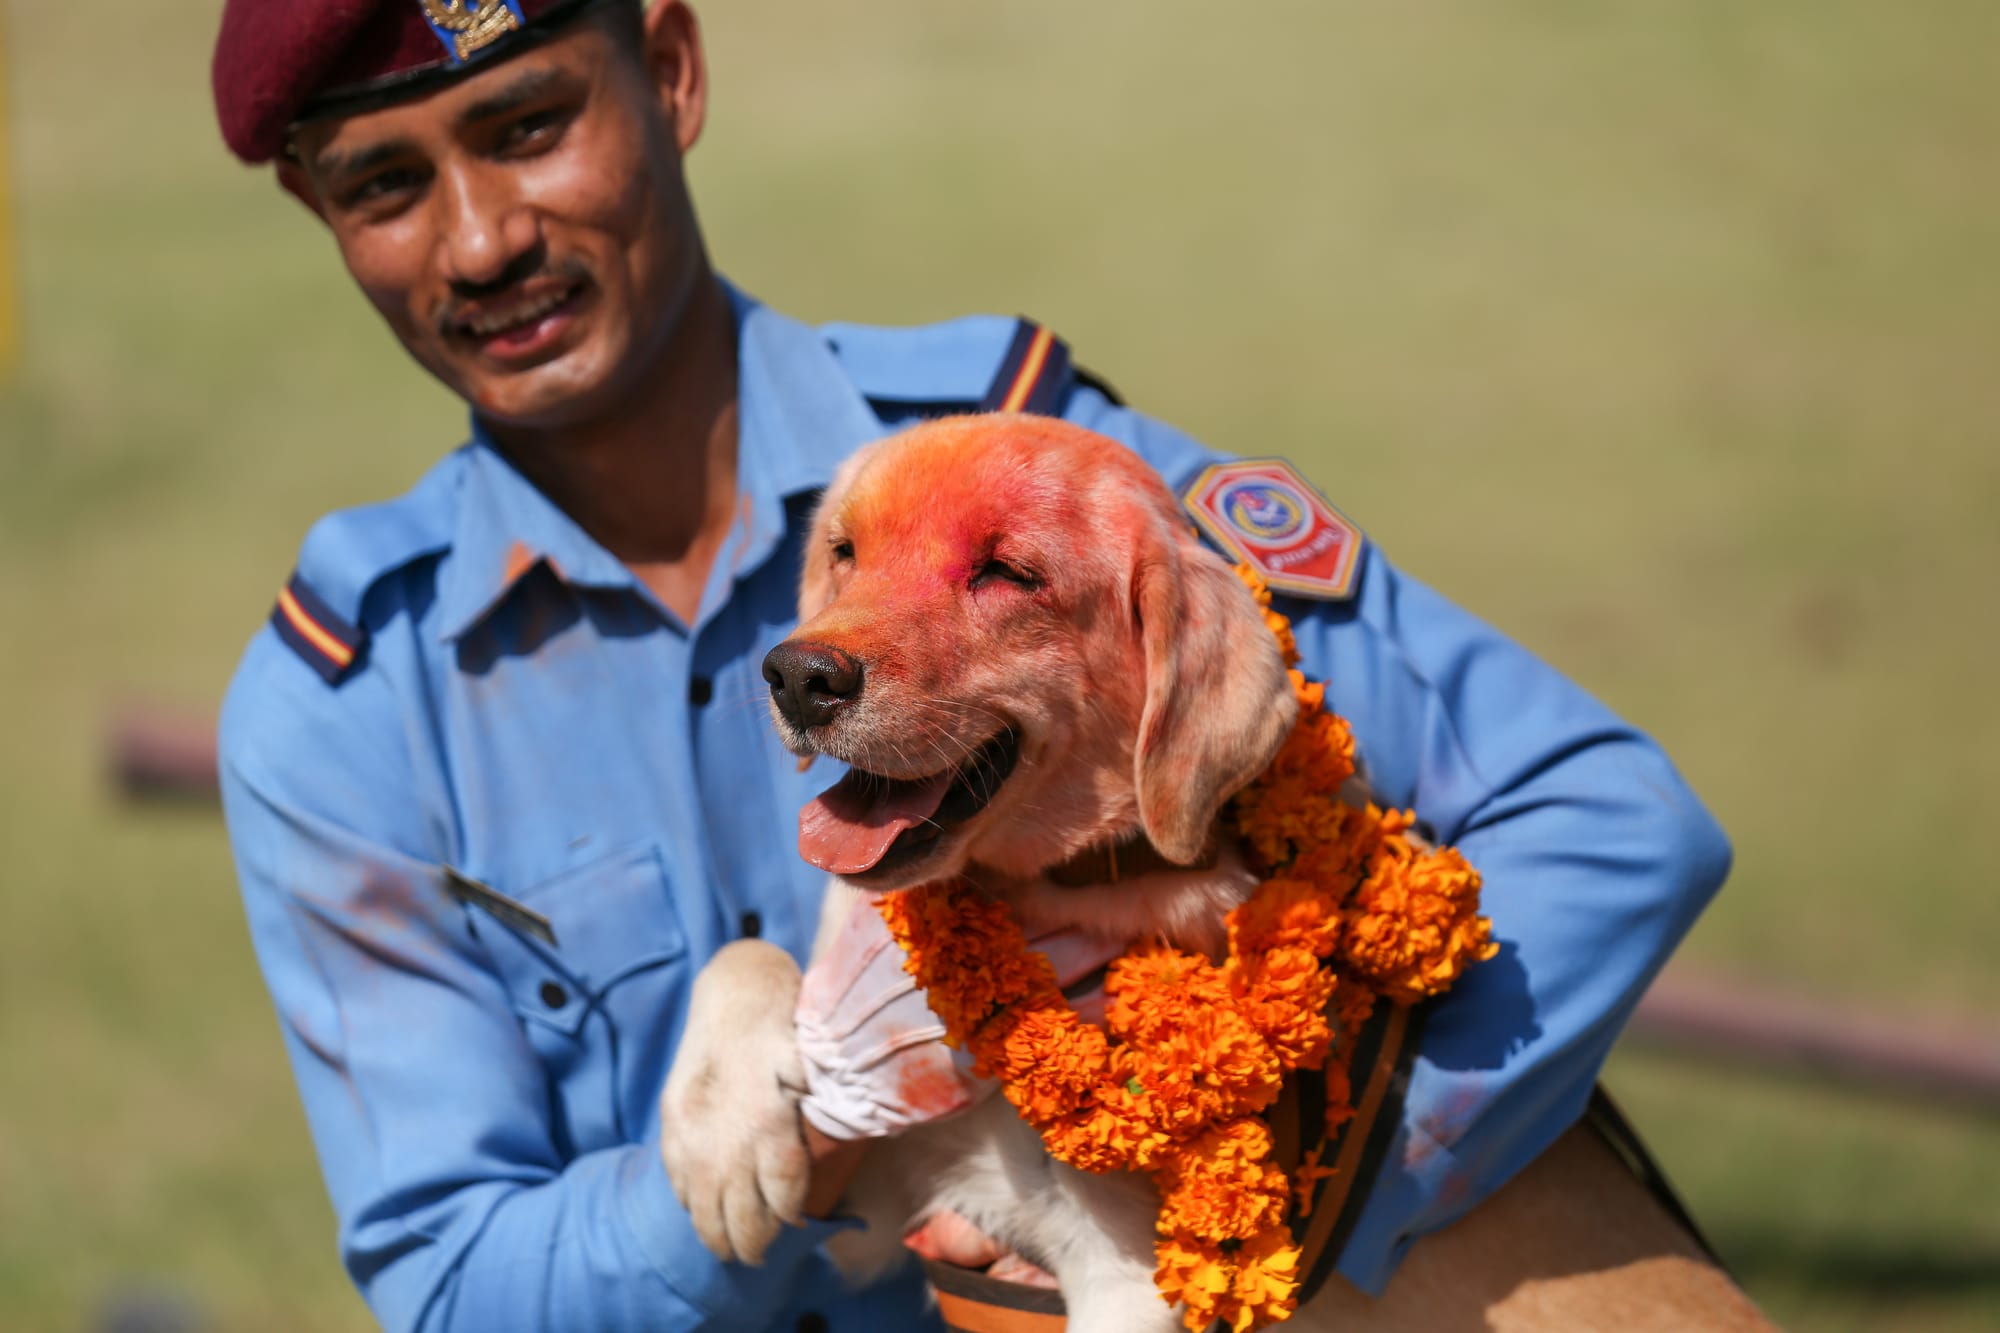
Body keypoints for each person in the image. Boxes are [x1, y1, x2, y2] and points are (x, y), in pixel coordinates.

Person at [208, 1, 1734, 1330]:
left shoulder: (1035, 473)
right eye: (387, 186)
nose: (481, 240)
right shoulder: (347, 708)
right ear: (317, 217)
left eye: (530, 122)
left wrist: (1292, 1178)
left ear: (669, 72)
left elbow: (1608, 821)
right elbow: (459, 1287)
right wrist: (818, 1130)